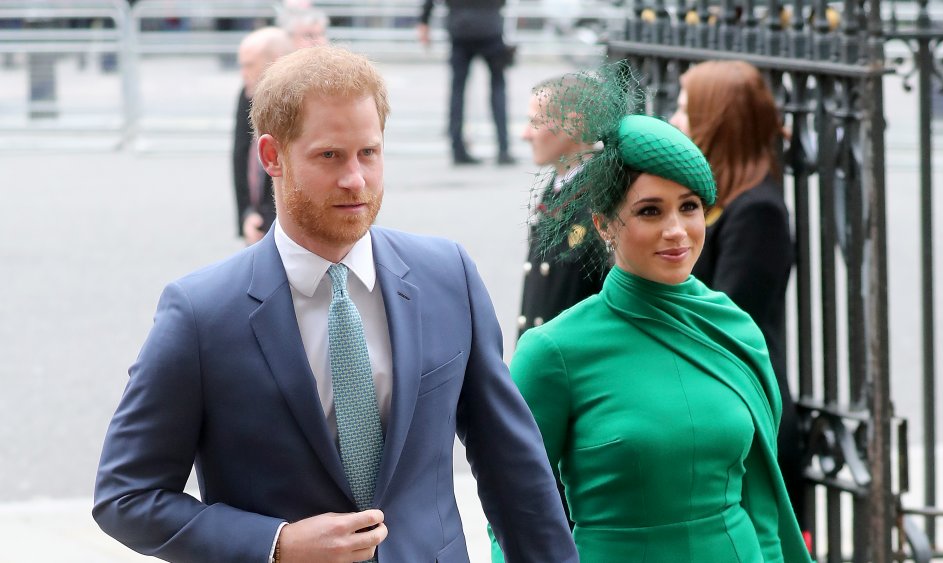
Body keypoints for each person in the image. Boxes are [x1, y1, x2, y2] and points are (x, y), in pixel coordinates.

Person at [94, 45, 578, 563]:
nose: (356, 179)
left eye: (368, 153)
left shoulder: (447, 275)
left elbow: (513, 465)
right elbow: (126, 495)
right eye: (330, 156)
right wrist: (275, 544)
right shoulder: (199, 313)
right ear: (271, 157)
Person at [492, 64, 811, 562]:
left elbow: (763, 504)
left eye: (688, 207)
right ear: (604, 224)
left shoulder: (733, 327)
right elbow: (514, 512)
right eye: (649, 211)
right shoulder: (554, 351)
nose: (677, 231)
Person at [670, 59, 809, 546]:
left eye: (686, 109)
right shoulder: (714, 199)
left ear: (718, 119)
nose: (675, 120)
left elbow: (723, 319)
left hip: (744, 410)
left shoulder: (759, 210)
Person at [517, 74, 607, 338]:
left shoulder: (598, 199)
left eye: (535, 122)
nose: (525, 135)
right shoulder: (559, 186)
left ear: (572, 125)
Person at [417, 0, 515, 166]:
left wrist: (424, 21)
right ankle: (503, 149)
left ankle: (457, 149)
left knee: (457, 92)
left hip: (460, 29)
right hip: (490, 27)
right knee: (498, 88)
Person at [232, 26, 294, 245]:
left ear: (274, 62)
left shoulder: (301, 101)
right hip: (258, 220)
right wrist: (246, 214)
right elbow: (240, 157)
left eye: (249, 65)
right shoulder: (247, 92)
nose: (243, 72)